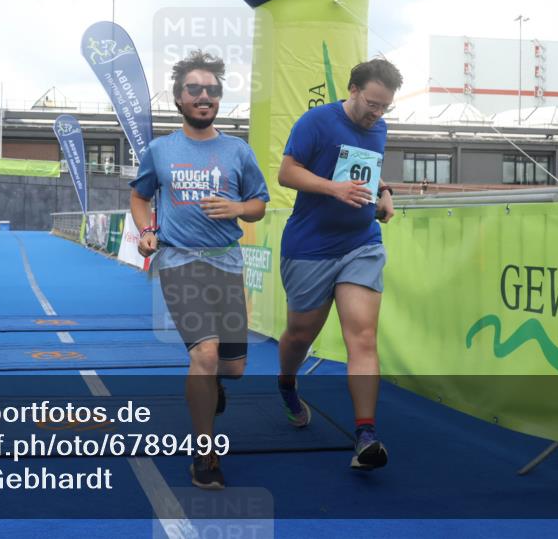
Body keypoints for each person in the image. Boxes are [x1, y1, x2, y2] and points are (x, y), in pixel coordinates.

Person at [130, 50, 269, 490]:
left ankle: (214, 389)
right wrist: (148, 229)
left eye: (211, 90)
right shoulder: (161, 150)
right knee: (203, 355)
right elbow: (139, 197)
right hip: (179, 260)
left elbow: (259, 206)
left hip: (226, 262)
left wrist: (238, 207)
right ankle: (204, 456)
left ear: (219, 100)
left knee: (234, 368)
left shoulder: (237, 151)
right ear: (178, 99)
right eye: (194, 89)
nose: (203, 95)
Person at [276, 57, 402, 472]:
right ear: (352, 90)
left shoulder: (378, 128)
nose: (377, 113)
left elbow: (368, 170)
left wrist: (383, 193)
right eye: (371, 103)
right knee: (299, 335)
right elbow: (287, 173)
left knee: (362, 338)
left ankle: (366, 434)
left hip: (360, 243)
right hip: (310, 246)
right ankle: (288, 382)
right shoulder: (316, 122)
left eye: (385, 107)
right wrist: (333, 188)